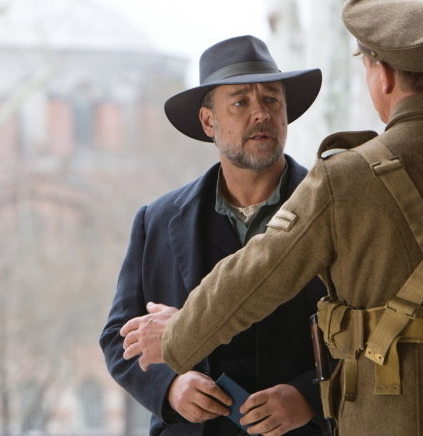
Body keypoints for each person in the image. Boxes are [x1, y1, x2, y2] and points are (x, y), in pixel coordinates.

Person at [119, 0, 423, 436]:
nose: (260, 114)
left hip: (389, 420)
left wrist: (177, 335)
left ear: (384, 76)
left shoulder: (345, 178)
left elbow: (256, 277)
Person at [99, 35, 329, 435]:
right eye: (240, 103)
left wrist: (310, 397)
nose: (261, 114)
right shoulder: (157, 220)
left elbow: (373, 334)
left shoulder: (332, 210)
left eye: (271, 100)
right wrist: (170, 387)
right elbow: (120, 339)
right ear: (209, 122)